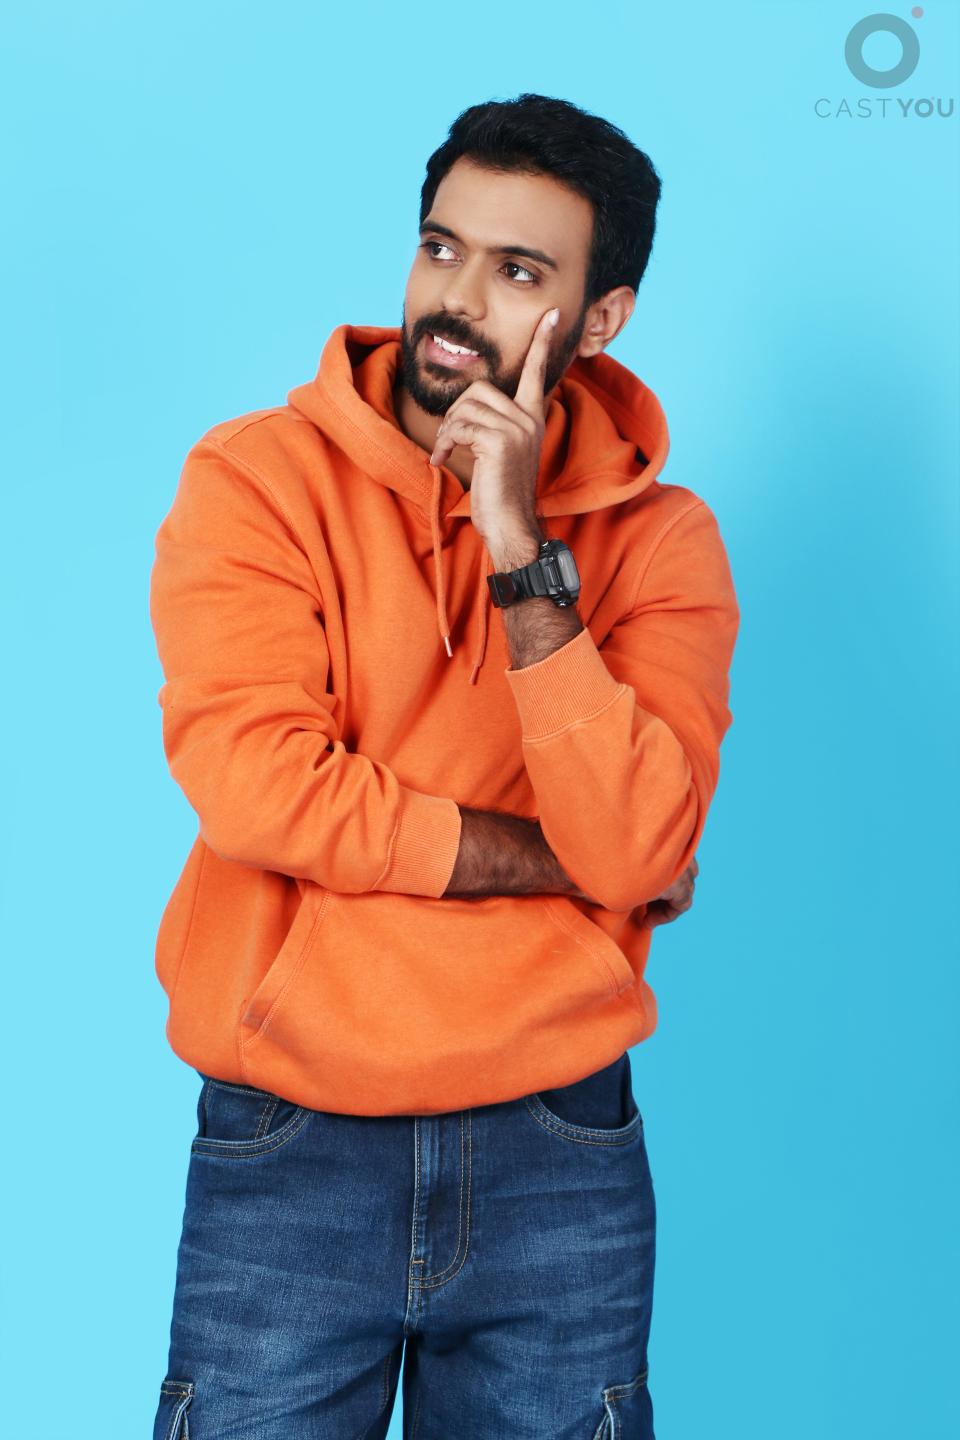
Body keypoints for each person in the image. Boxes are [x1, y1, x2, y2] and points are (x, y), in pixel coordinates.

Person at [149, 92, 739, 1439]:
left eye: (519, 272)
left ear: (601, 318)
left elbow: (639, 845)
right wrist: (557, 865)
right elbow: (259, 788)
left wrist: (521, 554)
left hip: (559, 1148)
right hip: (292, 1138)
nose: (456, 302)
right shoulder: (257, 480)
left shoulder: (663, 543)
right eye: (441, 248)